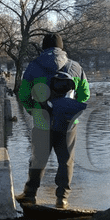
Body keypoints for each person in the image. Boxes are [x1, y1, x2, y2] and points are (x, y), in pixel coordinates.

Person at [17, 33, 90, 208]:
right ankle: (62, 199)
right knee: (66, 160)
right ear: (61, 47)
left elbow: (23, 95)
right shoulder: (76, 67)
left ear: (43, 48)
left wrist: (34, 111)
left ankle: (30, 194)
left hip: (42, 119)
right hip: (67, 122)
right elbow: (85, 95)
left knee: (38, 158)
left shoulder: (34, 67)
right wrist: (70, 110)